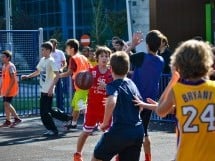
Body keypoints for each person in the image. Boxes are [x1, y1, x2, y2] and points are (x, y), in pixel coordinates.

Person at [133, 39, 215, 161]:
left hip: (186, 156)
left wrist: (173, 80)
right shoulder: (213, 87)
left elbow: (161, 111)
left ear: (179, 63)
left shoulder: (177, 89)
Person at [91, 51, 144, 161]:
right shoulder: (131, 84)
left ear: (111, 69)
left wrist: (105, 123)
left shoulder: (112, 85)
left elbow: (111, 101)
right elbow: (141, 106)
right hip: (137, 131)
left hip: (120, 130)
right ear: (127, 67)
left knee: (97, 157)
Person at [21, 41, 72, 136]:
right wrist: (28, 76)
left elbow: (57, 75)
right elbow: (38, 72)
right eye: (42, 50)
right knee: (49, 110)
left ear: (48, 50)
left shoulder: (51, 61)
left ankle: (53, 130)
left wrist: (51, 88)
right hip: (43, 89)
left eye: (43, 50)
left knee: (44, 112)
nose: (42, 52)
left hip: (48, 90)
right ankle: (67, 118)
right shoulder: (43, 60)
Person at [129, 30, 164, 161]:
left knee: (126, 129)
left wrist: (132, 45)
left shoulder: (141, 57)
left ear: (147, 44)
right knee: (144, 131)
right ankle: (148, 158)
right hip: (149, 102)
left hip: (135, 100)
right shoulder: (160, 60)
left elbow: (121, 57)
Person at [73, 46, 113, 161]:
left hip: (106, 109)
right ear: (97, 58)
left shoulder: (112, 73)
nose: (104, 58)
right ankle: (78, 154)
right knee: (86, 132)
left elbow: (116, 88)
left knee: (110, 135)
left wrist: (107, 87)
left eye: (106, 56)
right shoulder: (91, 72)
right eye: (102, 56)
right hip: (92, 108)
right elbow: (82, 87)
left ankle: (114, 156)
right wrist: (81, 102)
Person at [60, 39, 90, 129]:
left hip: (81, 85)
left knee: (82, 106)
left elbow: (69, 72)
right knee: (75, 106)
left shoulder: (73, 58)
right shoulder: (83, 57)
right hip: (85, 84)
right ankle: (73, 123)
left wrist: (58, 76)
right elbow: (90, 69)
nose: (66, 50)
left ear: (72, 49)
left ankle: (91, 123)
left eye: (67, 48)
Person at [0, 50, 22, 127]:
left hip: (10, 89)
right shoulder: (4, 66)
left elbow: (13, 79)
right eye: (1, 57)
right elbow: (3, 78)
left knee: (6, 103)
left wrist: (8, 90)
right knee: (6, 104)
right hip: (5, 89)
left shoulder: (11, 66)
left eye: (3, 57)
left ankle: (17, 118)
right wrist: (1, 88)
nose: (1, 58)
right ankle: (8, 121)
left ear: (8, 58)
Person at [49, 38, 67, 111]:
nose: (52, 46)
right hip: (50, 75)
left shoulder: (60, 52)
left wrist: (62, 69)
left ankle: (61, 110)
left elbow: (65, 63)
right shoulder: (48, 53)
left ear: (56, 45)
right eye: (51, 44)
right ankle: (48, 110)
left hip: (58, 74)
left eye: (53, 44)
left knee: (59, 93)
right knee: (49, 93)